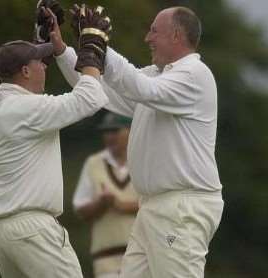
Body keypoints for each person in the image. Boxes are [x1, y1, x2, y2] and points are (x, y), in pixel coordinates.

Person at [54, 5, 224, 278]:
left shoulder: (194, 75)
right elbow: (99, 89)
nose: (147, 38)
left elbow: (138, 86)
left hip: (181, 207)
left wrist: (100, 45)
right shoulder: (158, 76)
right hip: (153, 207)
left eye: (154, 31)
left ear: (177, 36)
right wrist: (64, 50)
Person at [0, 13, 108, 278]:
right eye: (40, 62)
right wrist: (91, 48)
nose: (46, 67)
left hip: (3, 233)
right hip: (33, 230)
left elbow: (28, 82)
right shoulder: (28, 109)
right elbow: (91, 98)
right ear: (25, 71)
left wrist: (45, 41)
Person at [73, 112, 138, 278]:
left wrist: (120, 205)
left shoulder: (143, 162)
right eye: (106, 131)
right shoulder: (93, 163)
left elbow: (156, 204)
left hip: (142, 255)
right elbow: (80, 209)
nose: (109, 136)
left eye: (115, 130)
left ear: (131, 130)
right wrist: (101, 203)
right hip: (106, 260)